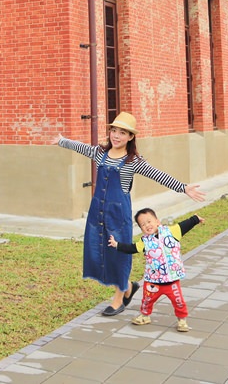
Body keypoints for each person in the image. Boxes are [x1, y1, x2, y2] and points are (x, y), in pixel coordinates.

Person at [51, 112, 205, 316]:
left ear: (130, 137)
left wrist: (183, 187)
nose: (116, 135)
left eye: (122, 133)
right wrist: (62, 141)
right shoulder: (100, 153)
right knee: (99, 251)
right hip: (98, 212)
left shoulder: (133, 161)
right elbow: (82, 148)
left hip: (118, 214)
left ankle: (119, 296)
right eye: (114, 131)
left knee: (118, 253)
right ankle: (128, 287)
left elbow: (158, 175)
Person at [109, 208, 204, 332]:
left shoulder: (171, 232)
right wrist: (117, 245)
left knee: (178, 301)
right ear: (141, 229)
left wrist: (195, 219)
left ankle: (182, 320)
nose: (147, 225)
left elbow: (184, 225)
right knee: (147, 300)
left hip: (172, 280)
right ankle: (145, 316)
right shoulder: (145, 241)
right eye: (143, 224)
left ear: (157, 221)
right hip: (153, 281)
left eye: (149, 221)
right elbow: (132, 248)